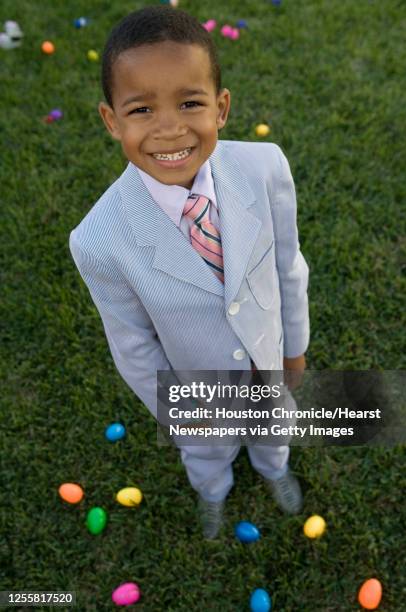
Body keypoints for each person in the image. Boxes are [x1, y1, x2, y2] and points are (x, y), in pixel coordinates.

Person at [69, 6, 310, 540]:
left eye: (189, 103)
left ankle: (275, 470)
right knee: (207, 449)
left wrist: (294, 349)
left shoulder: (264, 167)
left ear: (221, 108)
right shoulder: (99, 239)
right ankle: (213, 491)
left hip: (267, 362)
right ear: (112, 120)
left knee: (274, 427)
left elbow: (289, 266)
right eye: (141, 109)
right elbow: (132, 344)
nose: (170, 128)